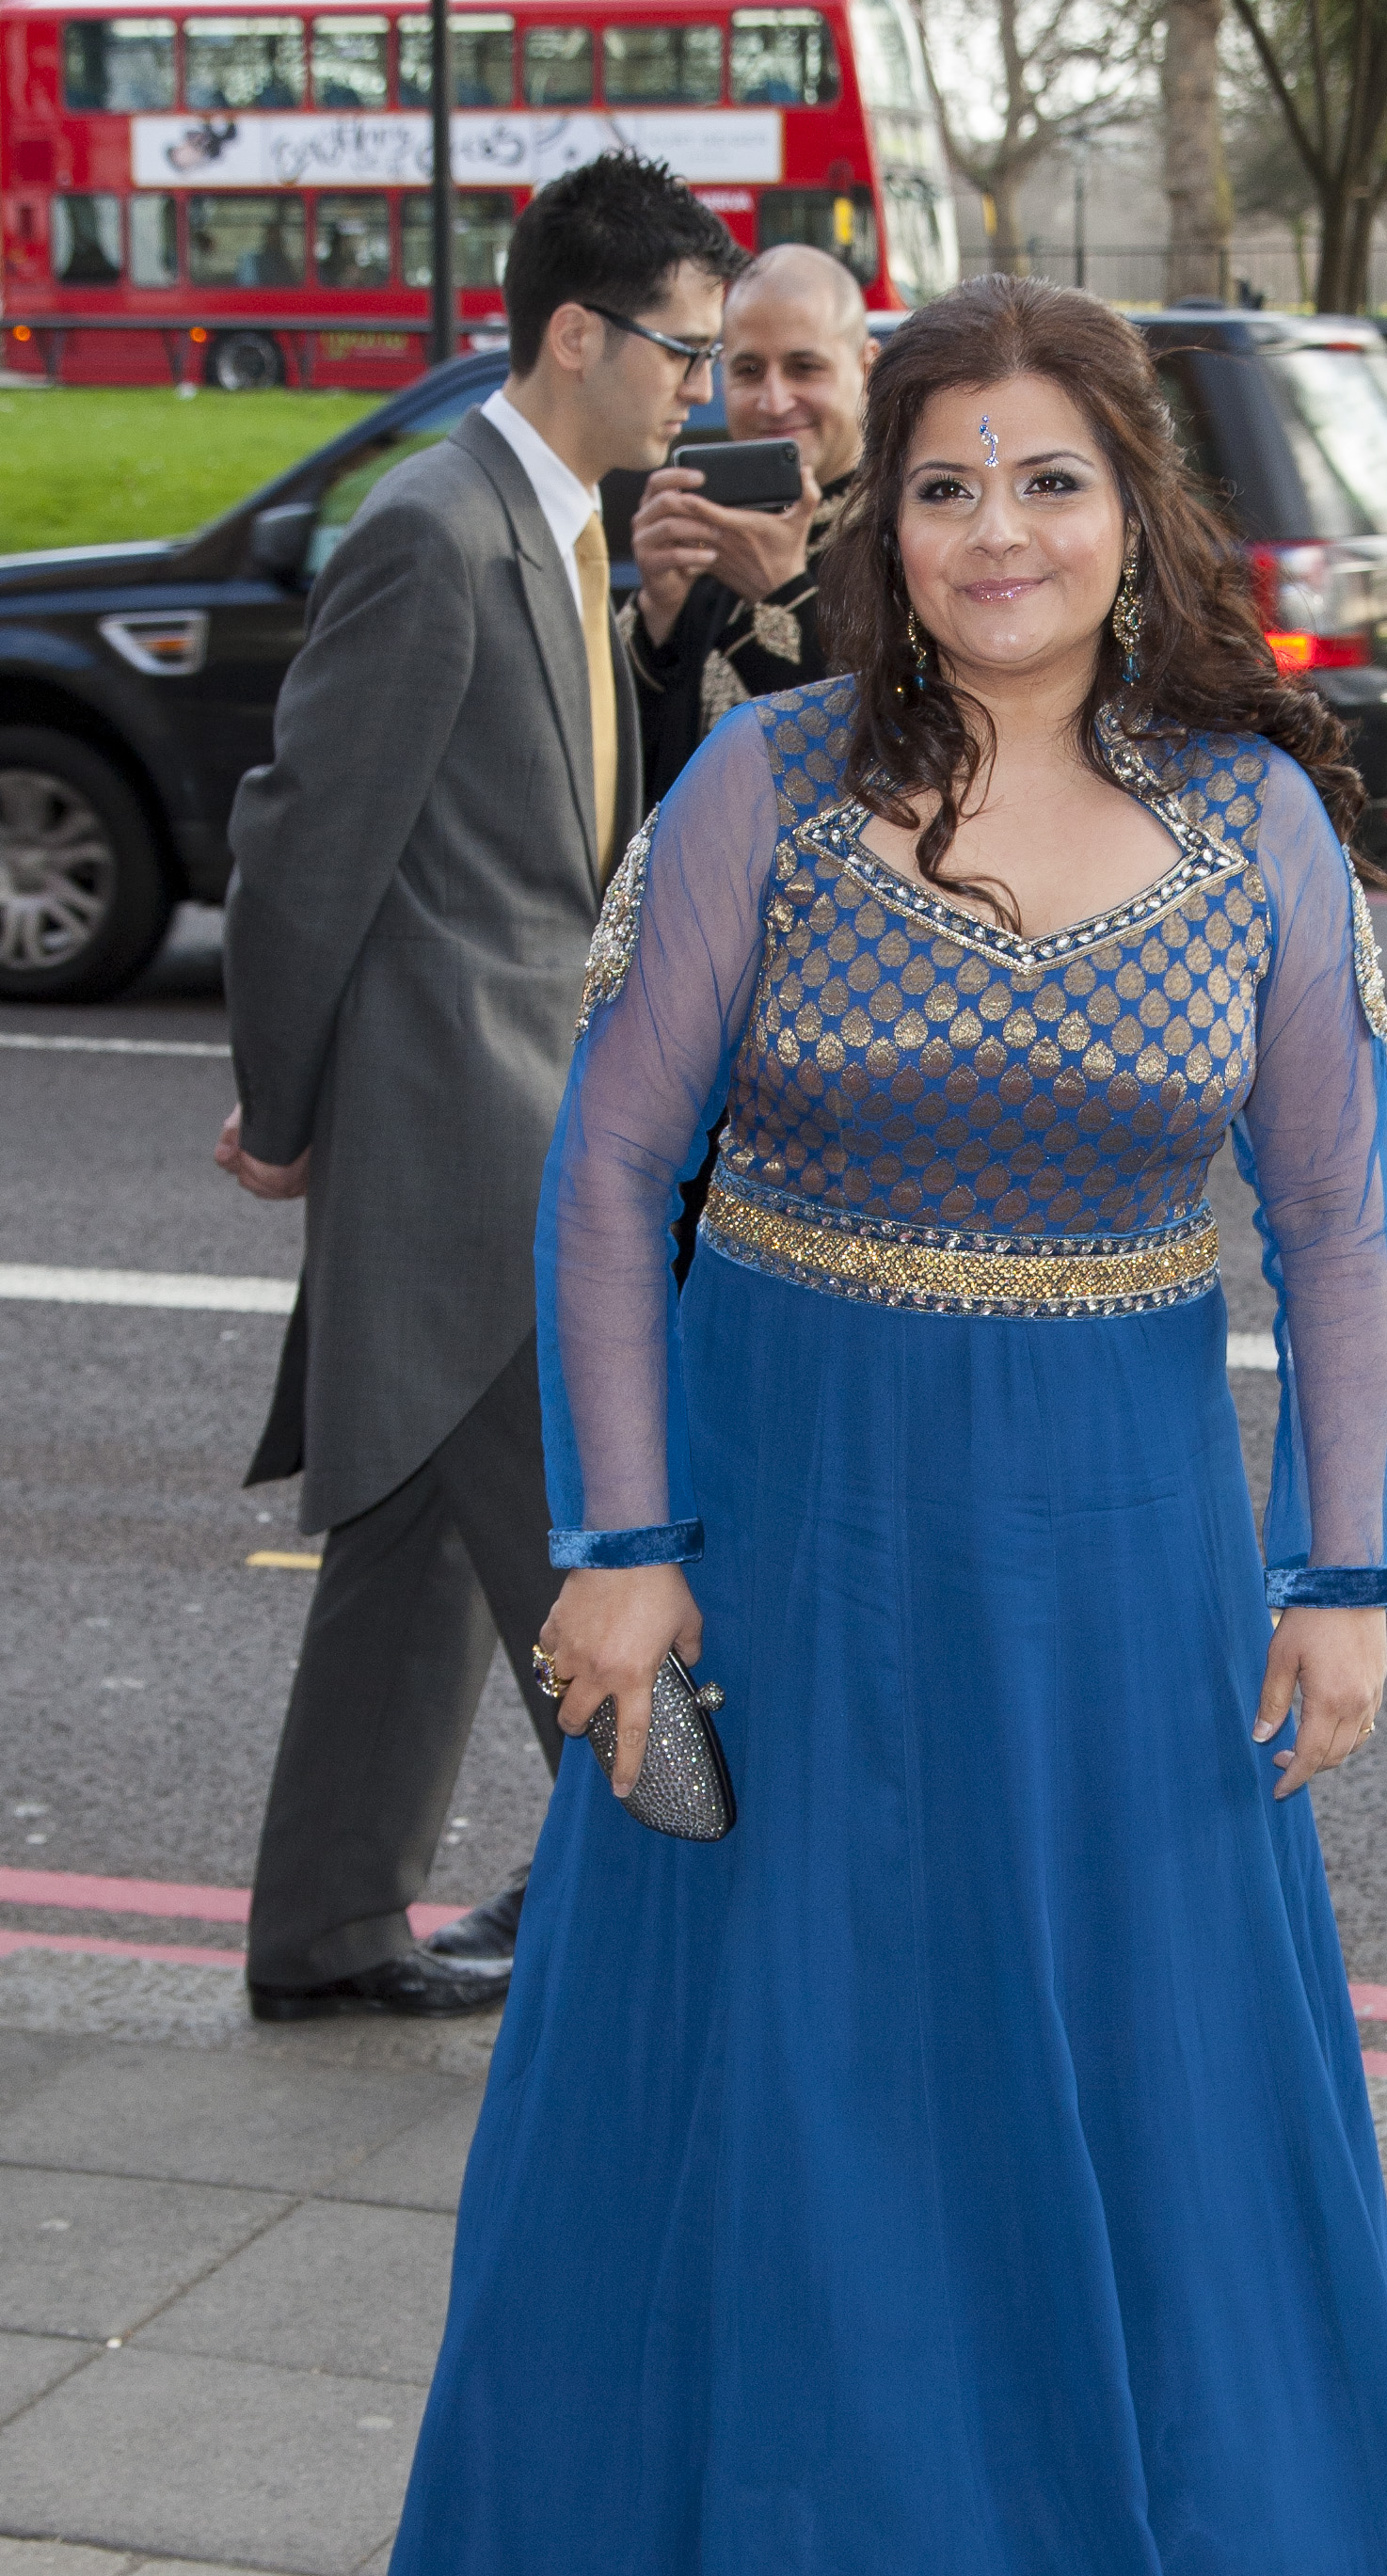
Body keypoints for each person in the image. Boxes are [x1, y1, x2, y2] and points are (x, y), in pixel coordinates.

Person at [351, 276, 1387, 2576]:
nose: (998, 533)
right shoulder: (758, 785)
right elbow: (608, 1181)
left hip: (1114, 1573)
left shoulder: (1258, 821)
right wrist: (625, 1543)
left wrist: (1341, 1575)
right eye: (948, 484)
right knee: (804, 2123)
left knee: (1119, 2116)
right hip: (799, 1540)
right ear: (887, 519)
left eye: (1053, 484)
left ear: (1138, 519)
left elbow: (1334, 1222)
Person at [215, 157, 740, 2023]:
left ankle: (325, 1935)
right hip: (475, 1155)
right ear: (576, 334)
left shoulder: (571, 537)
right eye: (682, 351)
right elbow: (304, 853)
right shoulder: (431, 536)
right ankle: (703, 1961)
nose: (705, 388)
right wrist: (280, 1116)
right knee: (599, 1567)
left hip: (525, 1124)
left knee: (405, 1552)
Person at [623, 238, 877, 810]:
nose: (774, 400)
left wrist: (785, 593)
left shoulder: (911, 531)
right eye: (747, 370)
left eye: (804, 368)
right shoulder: (705, 522)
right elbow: (624, 766)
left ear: (867, 368)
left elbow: (901, 752)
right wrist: (657, 616)